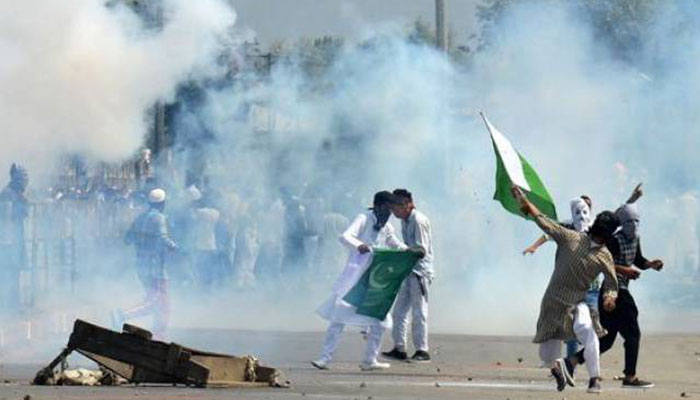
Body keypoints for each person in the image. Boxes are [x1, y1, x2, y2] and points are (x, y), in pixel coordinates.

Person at [511, 185, 620, 394]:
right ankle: (559, 369)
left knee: (589, 333)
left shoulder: (604, 255)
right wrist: (523, 199)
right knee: (548, 355)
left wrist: (609, 297)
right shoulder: (570, 236)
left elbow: (612, 282)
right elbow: (542, 220)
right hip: (554, 302)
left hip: (576, 303)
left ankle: (594, 379)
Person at [568, 202, 664, 389]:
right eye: (629, 221)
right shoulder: (614, 240)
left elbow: (638, 260)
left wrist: (651, 264)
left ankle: (571, 360)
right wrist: (625, 271)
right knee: (633, 334)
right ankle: (630, 376)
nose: (633, 226)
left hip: (617, 291)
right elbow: (604, 264)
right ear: (622, 223)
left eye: (637, 221)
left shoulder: (636, 238)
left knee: (606, 340)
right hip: (614, 289)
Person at [312, 191, 406, 371]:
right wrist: (358, 245)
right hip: (355, 278)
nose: (389, 213)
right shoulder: (364, 218)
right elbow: (345, 236)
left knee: (381, 319)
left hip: (375, 280)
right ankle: (324, 358)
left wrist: (410, 250)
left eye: (391, 209)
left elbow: (396, 244)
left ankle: (370, 360)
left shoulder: (387, 227)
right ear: (378, 206)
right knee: (338, 317)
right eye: (387, 208)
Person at [114, 188, 178, 339]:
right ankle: (122, 314)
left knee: (162, 304)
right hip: (156, 267)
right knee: (157, 300)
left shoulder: (140, 218)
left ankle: (158, 335)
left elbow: (127, 239)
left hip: (142, 265)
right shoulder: (159, 218)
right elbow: (163, 238)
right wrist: (176, 249)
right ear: (162, 203)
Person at [382, 189, 434, 363]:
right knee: (399, 312)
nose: (394, 211)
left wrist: (401, 253)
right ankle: (399, 348)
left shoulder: (418, 220)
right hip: (408, 270)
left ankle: (422, 350)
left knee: (419, 312)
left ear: (407, 205)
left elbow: (421, 250)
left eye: (396, 207)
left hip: (420, 272)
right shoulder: (405, 220)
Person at [0, 164, 30, 312]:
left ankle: (13, 304)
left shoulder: (14, 194)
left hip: (15, 239)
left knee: (15, 272)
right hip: (8, 241)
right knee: (9, 273)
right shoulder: (8, 194)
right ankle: (9, 305)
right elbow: (8, 218)